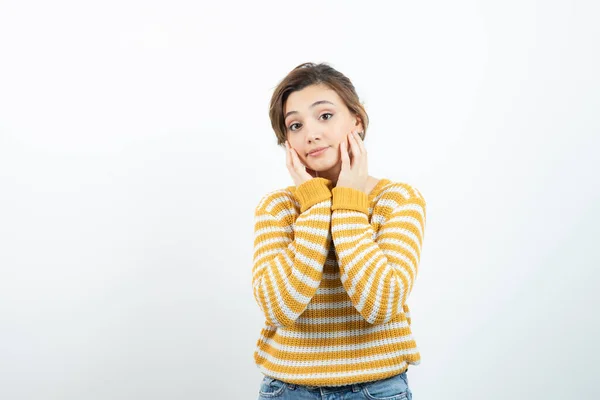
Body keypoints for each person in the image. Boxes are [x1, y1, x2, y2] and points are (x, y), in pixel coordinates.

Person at [251, 62, 427, 400]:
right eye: (295, 125)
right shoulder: (277, 208)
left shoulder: (398, 200)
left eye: (325, 116)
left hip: (377, 389)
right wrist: (316, 206)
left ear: (356, 121)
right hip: (287, 389)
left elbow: (380, 304)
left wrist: (347, 202)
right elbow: (279, 307)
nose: (311, 134)